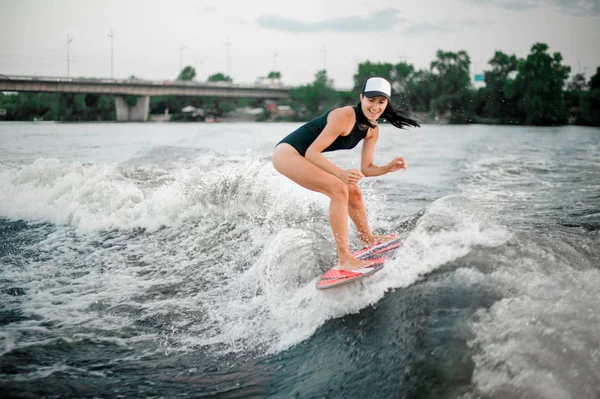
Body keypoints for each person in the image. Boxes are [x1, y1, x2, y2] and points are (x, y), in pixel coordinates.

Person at [272, 77, 420, 271]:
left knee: (354, 191)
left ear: (386, 104)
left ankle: (367, 238)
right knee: (339, 189)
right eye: (371, 100)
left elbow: (366, 168)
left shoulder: (372, 130)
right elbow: (312, 152)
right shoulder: (344, 116)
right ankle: (345, 259)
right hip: (287, 154)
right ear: (361, 98)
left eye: (381, 102)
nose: (375, 106)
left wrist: (386, 168)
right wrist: (340, 173)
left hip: (305, 156)